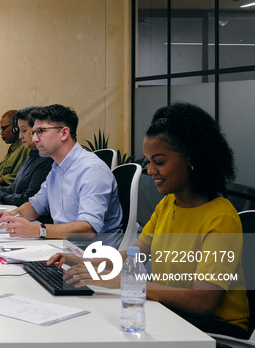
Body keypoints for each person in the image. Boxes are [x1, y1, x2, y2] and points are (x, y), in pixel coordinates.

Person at [48, 102, 250, 338]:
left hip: (211, 333)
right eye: (149, 162)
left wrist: (126, 284)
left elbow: (202, 302)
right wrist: (83, 261)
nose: (151, 170)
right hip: (171, 316)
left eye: (160, 162)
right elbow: (133, 257)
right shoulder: (168, 203)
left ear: (192, 159)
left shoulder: (221, 218)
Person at [0, 104, 123, 241]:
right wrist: (12, 216)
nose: (35, 138)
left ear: (64, 133)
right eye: (34, 132)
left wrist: (38, 230)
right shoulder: (57, 168)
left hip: (89, 255)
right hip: (63, 246)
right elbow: (35, 206)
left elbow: (88, 228)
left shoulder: (92, 170)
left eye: (41, 131)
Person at [0, 106, 52, 205]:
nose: (20, 136)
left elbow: (30, 198)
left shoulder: (46, 160)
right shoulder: (31, 156)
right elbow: (14, 188)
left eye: (24, 131)